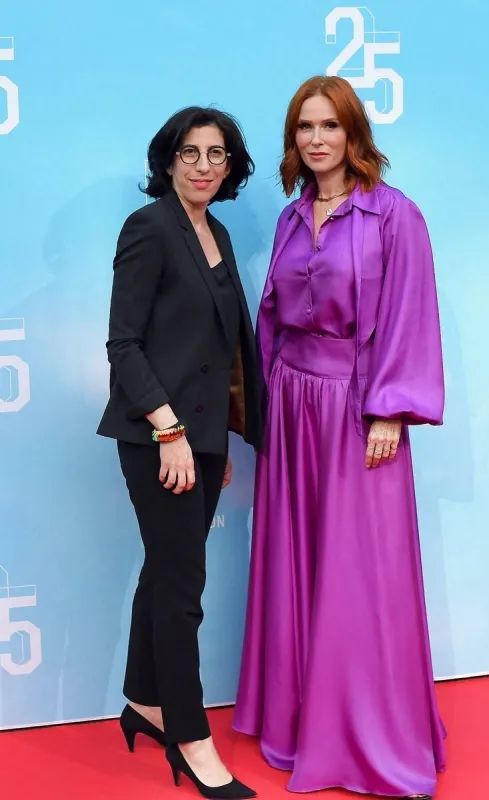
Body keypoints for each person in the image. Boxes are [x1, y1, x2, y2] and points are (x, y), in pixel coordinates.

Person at [234, 76, 446, 800]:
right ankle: (299, 721)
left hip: (358, 409)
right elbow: (272, 319)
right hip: (292, 404)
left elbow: (411, 312)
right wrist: (262, 405)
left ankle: (365, 735)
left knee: (359, 572)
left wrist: (390, 410)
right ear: (292, 139)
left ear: (354, 133)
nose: (317, 139)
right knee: (296, 560)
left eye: (330, 125)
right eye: (305, 127)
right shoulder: (293, 216)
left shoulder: (394, 214)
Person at [97, 106, 261, 800]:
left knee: (164, 572)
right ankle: (191, 738)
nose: (202, 165)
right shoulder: (150, 228)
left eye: (216, 154)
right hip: (157, 437)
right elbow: (124, 343)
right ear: (167, 161)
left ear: (230, 167)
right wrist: (170, 432)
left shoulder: (216, 232)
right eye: (189, 152)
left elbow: (218, 353)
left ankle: (145, 699)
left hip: (203, 439)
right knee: (181, 587)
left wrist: (215, 440)